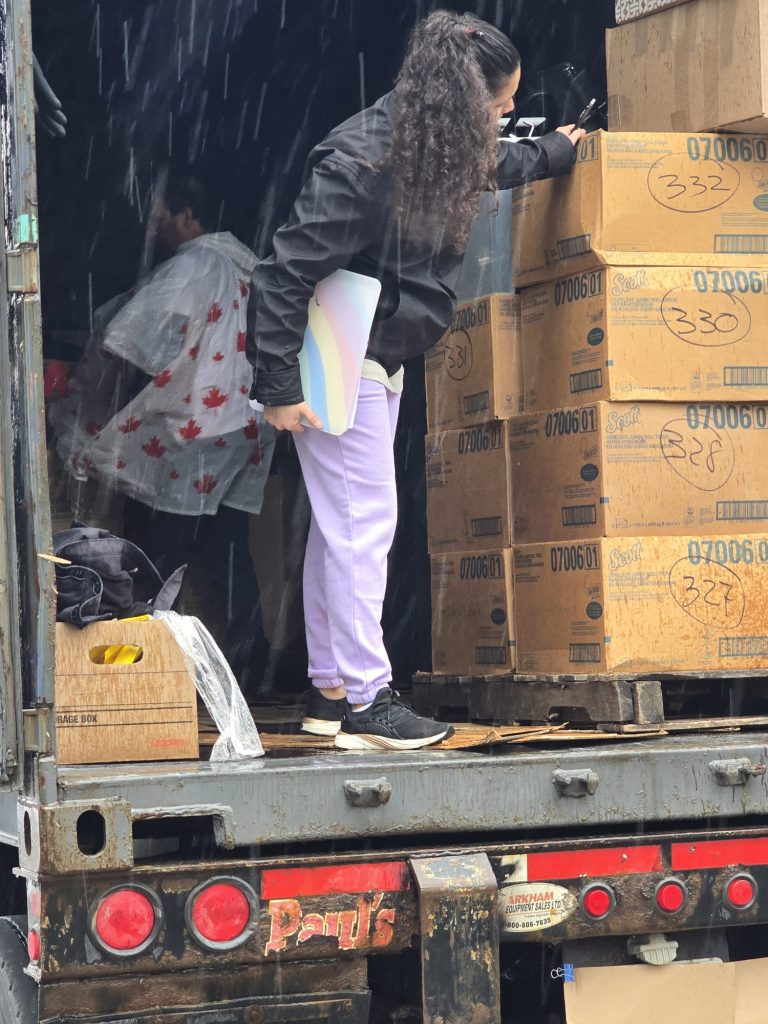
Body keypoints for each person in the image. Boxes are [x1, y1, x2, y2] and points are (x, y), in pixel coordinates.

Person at [247, 10, 585, 750]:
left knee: (341, 527)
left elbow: (488, 163)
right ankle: (368, 700)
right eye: (500, 106)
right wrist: (277, 387)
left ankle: (331, 691)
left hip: (373, 353)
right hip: (340, 362)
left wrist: (555, 150)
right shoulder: (362, 164)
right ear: (464, 101)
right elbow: (281, 272)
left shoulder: (430, 138)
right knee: (363, 526)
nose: (503, 119)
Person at [50, 174, 275, 693]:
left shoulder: (195, 265)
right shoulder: (252, 267)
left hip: (185, 439)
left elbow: (130, 339)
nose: (154, 228)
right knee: (228, 556)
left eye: (160, 216)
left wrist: (102, 410)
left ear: (188, 216)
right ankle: (249, 671)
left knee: (153, 556)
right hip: (240, 433)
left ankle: (148, 670)